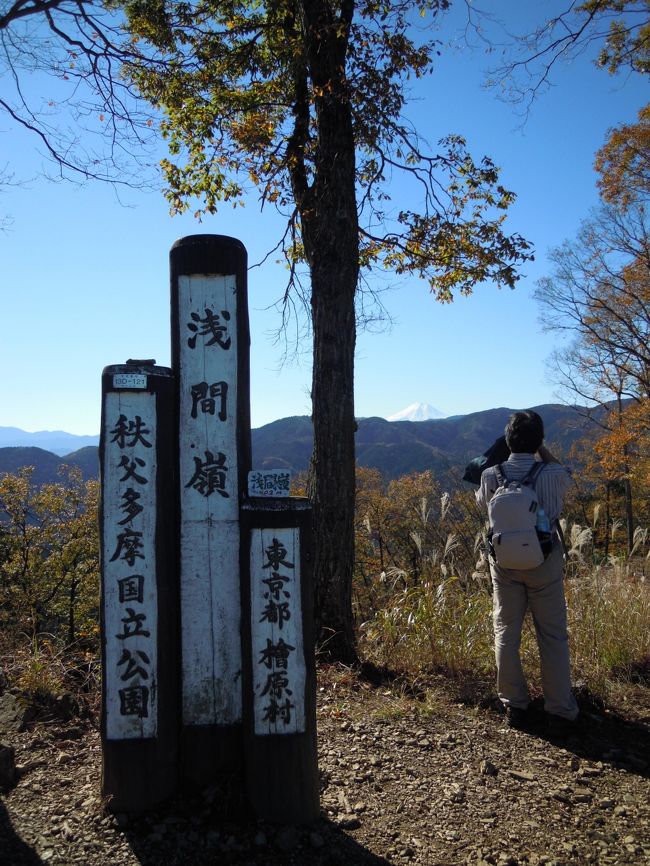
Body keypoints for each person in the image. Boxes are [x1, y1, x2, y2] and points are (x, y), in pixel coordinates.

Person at [475, 410, 579, 731]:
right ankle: (559, 709)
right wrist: (541, 450)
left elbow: (483, 506)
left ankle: (515, 705)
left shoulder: (491, 474)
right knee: (552, 635)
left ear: (508, 440)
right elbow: (564, 487)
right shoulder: (552, 472)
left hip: (504, 563)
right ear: (539, 440)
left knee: (506, 630)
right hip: (544, 560)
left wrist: (500, 458)